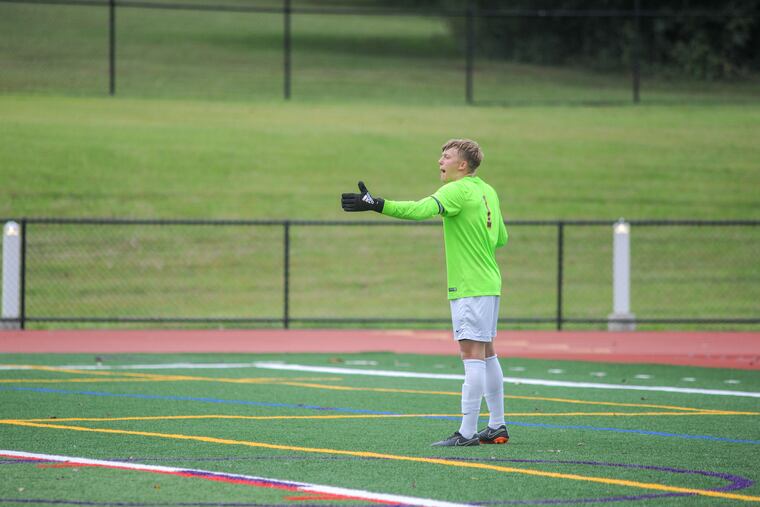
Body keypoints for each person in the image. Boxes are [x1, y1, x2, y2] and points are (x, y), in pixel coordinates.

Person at [341, 139, 509, 447]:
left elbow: (420, 210)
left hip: (470, 286)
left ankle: (467, 433)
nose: (439, 161)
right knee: (487, 352)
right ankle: (497, 425)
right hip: (489, 282)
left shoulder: (455, 191)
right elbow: (501, 238)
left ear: (463, 165)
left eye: (446, 156)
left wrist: (377, 204)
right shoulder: (488, 191)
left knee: (471, 355)